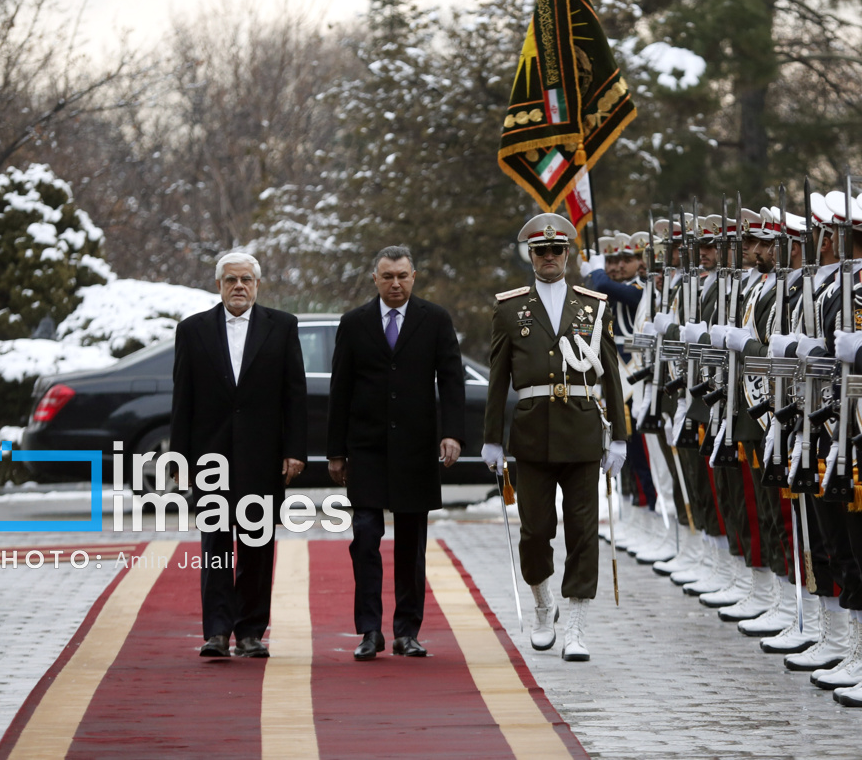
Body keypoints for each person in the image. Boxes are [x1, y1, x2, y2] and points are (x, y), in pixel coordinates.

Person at [482, 212, 628, 662]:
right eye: (541, 251)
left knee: (584, 532)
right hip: (532, 433)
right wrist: (492, 438)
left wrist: (619, 437)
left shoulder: (591, 304)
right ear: (531, 255)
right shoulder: (510, 308)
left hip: (582, 430)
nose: (549, 257)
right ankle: (544, 605)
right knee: (536, 531)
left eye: (557, 250)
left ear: (568, 254)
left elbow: (611, 376)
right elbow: (497, 377)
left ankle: (578, 627)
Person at [327, 246, 466, 660]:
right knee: (365, 537)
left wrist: (453, 434)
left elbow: (452, 380)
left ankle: (407, 631)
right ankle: (370, 630)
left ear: (414, 276)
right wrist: (336, 451)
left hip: (415, 449)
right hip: (366, 449)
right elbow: (341, 388)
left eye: (402, 275)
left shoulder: (435, 319)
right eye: (387, 276)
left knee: (411, 543)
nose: (395, 283)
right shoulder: (354, 323)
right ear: (375, 279)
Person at [171, 251, 307, 658]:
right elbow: (183, 400)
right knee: (215, 546)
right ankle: (216, 631)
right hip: (211, 458)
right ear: (218, 285)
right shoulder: (193, 331)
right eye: (231, 280)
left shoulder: (282, 327)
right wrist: (179, 458)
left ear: (258, 285)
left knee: (257, 546)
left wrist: (294, 450)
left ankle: (250, 632)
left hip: (262, 457)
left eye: (246, 279)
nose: (239, 287)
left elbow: (293, 395)